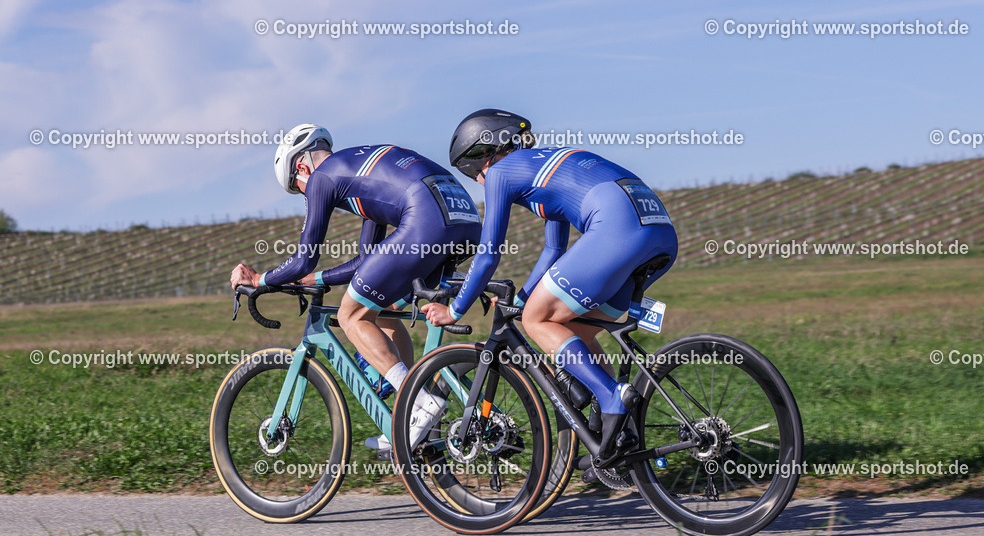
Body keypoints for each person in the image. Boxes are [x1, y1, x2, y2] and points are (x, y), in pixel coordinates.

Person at [423, 109, 678, 467]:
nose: (476, 179)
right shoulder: (545, 163)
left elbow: (488, 255)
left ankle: (611, 398)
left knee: (537, 320)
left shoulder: (500, 172)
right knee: (571, 328)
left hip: (617, 225)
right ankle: (622, 440)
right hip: (658, 227)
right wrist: (522, 298)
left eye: (470, 169)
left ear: (486, 153)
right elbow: (553, 250)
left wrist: (454, 310)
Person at [231, 124, 481, 457]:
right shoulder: (361, 173)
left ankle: (421, 404)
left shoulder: (321, 178)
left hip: (427, 218)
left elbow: (304, 258)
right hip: (464, 219)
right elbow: (365, 260)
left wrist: (260, 279)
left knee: (351, 315)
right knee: (383, 308)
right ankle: (408, 416)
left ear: (301, 166)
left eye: (298, 188)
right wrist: (316, 280)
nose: (306, 194)